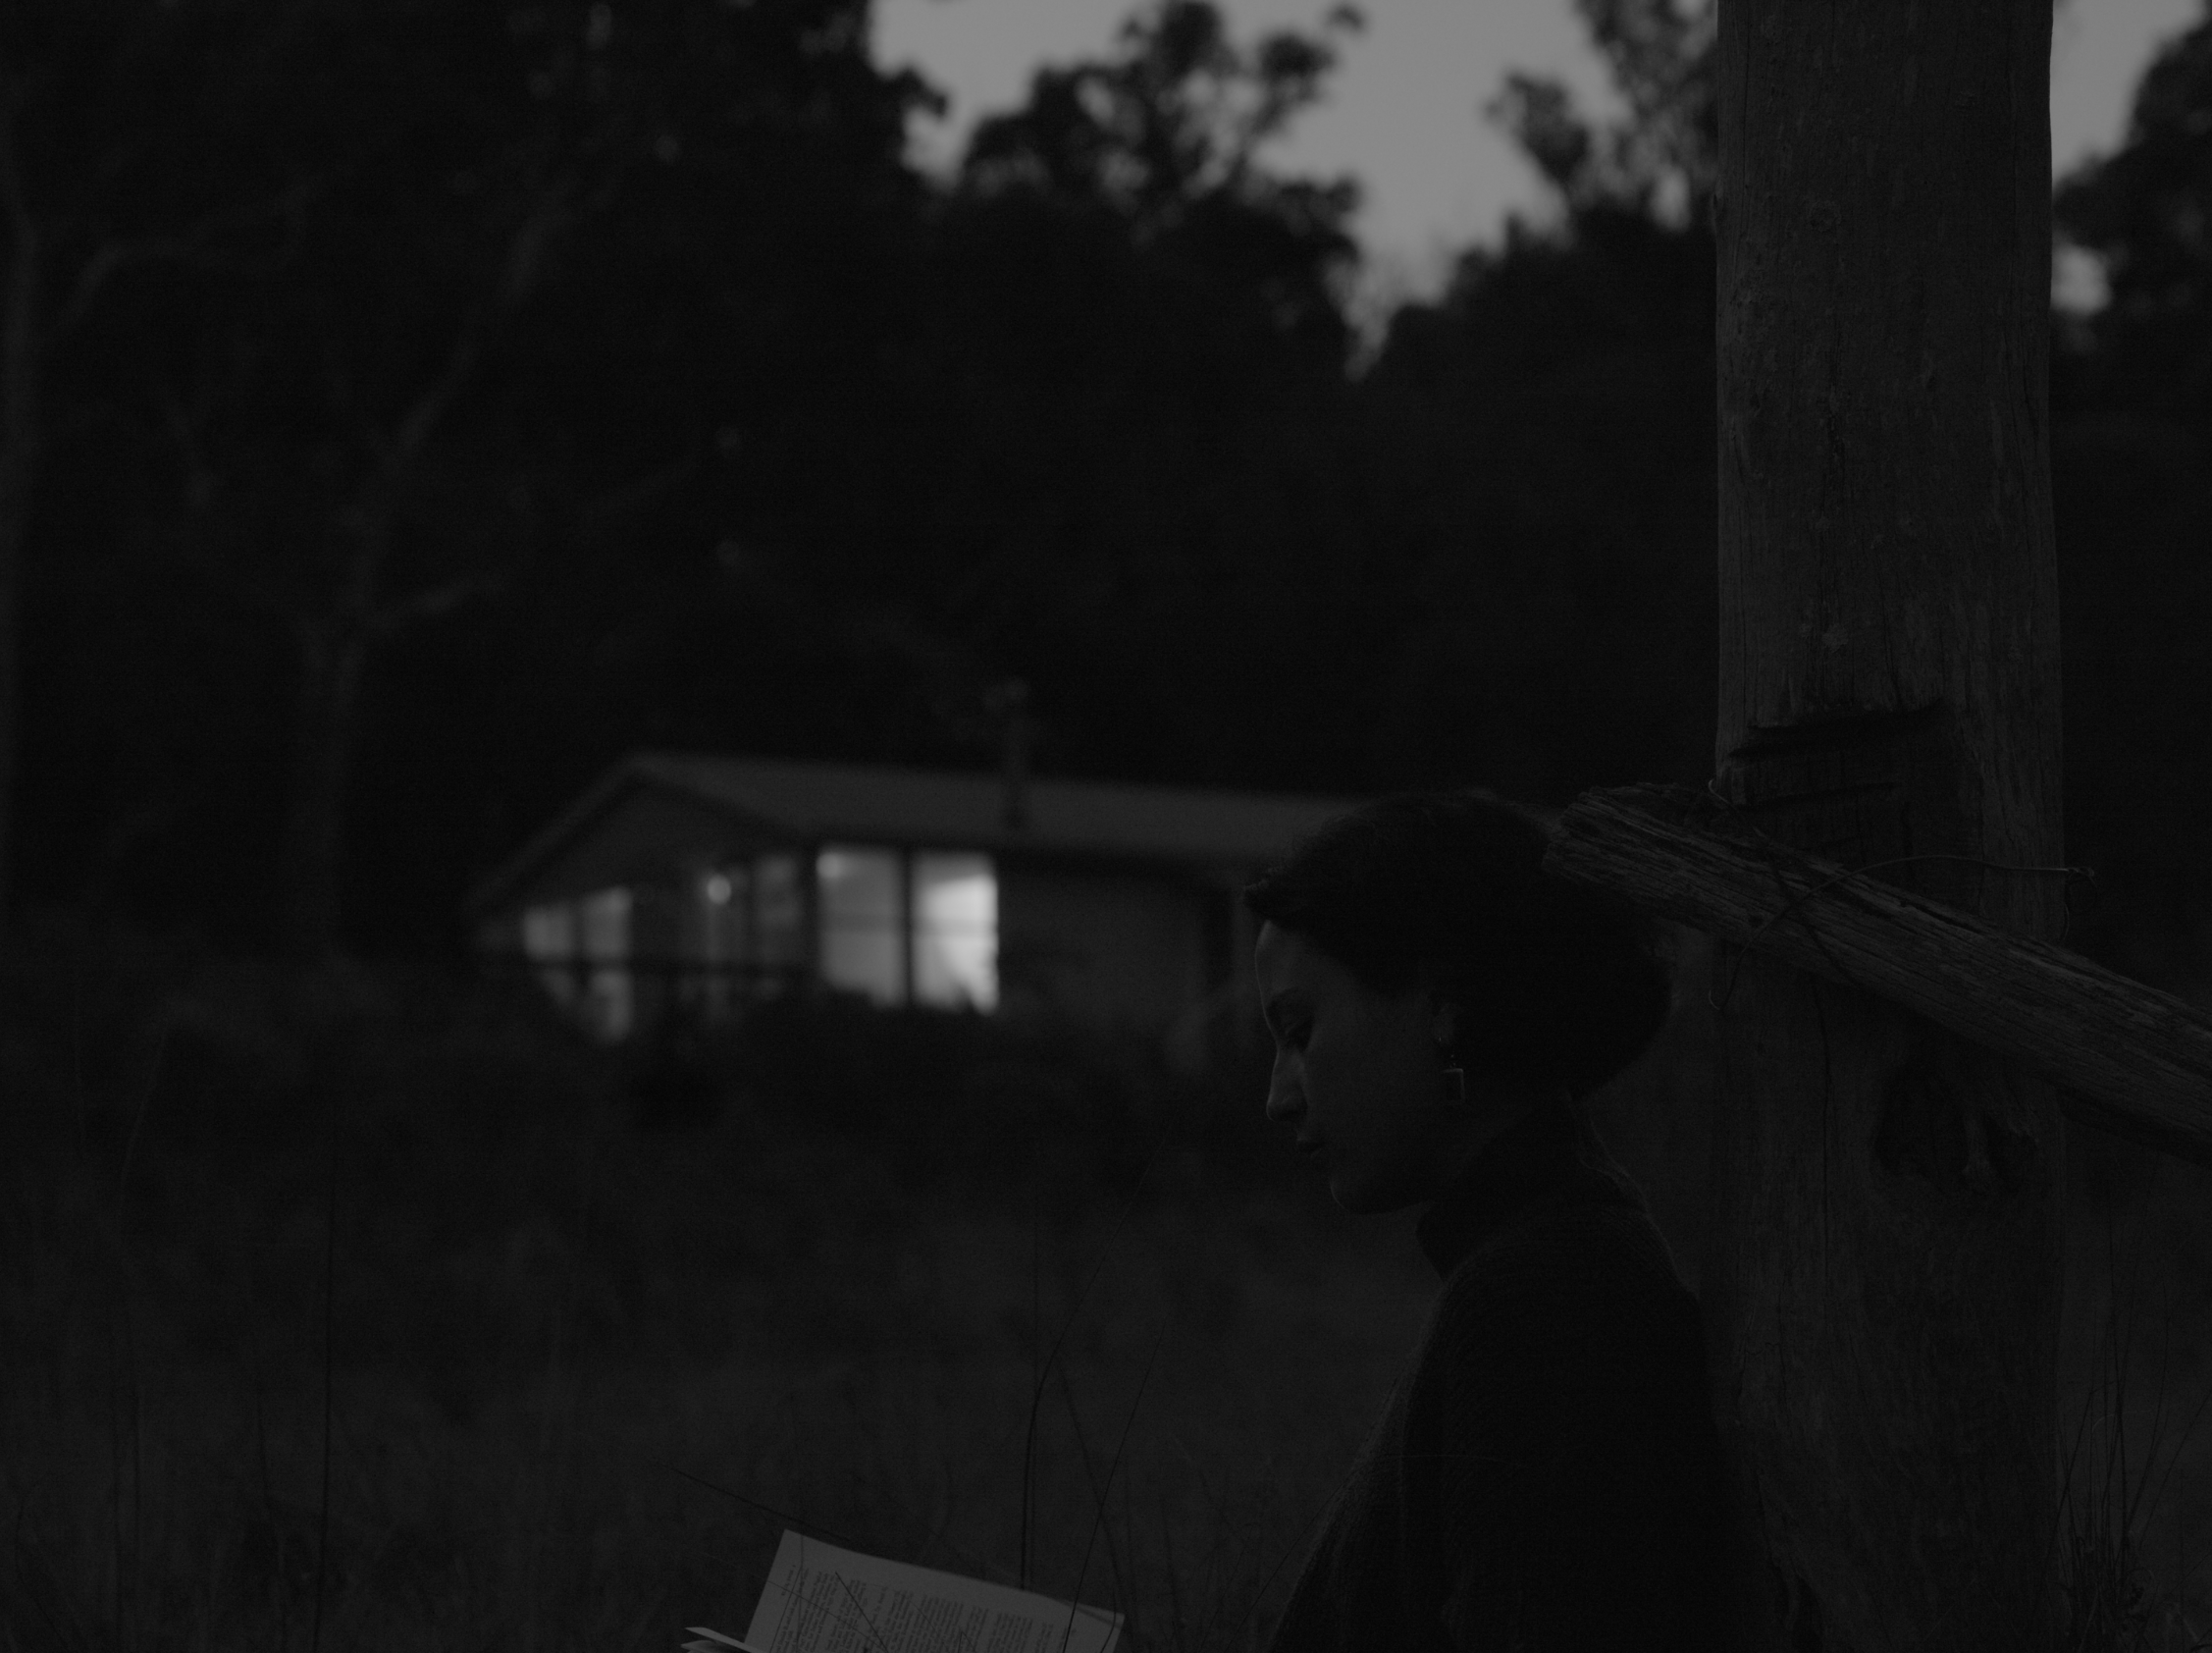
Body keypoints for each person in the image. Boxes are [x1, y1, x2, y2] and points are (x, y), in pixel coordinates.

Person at [1246, 790, 1726, 1652]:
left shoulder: (1548, 1303)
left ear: (1446, 1007)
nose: (1279, 1097)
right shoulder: (1545, 1263)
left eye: (1301, 1031)